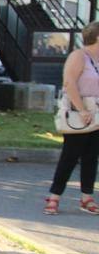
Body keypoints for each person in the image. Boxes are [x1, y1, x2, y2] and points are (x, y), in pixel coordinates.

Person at [44, 21, 99, 215]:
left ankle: (86, 197)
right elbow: (69, 83)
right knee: (70, 155)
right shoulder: (79, 56)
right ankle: (54, 197)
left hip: (97, 112)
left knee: (91, 156)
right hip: (79, 111)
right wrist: (82, 109)